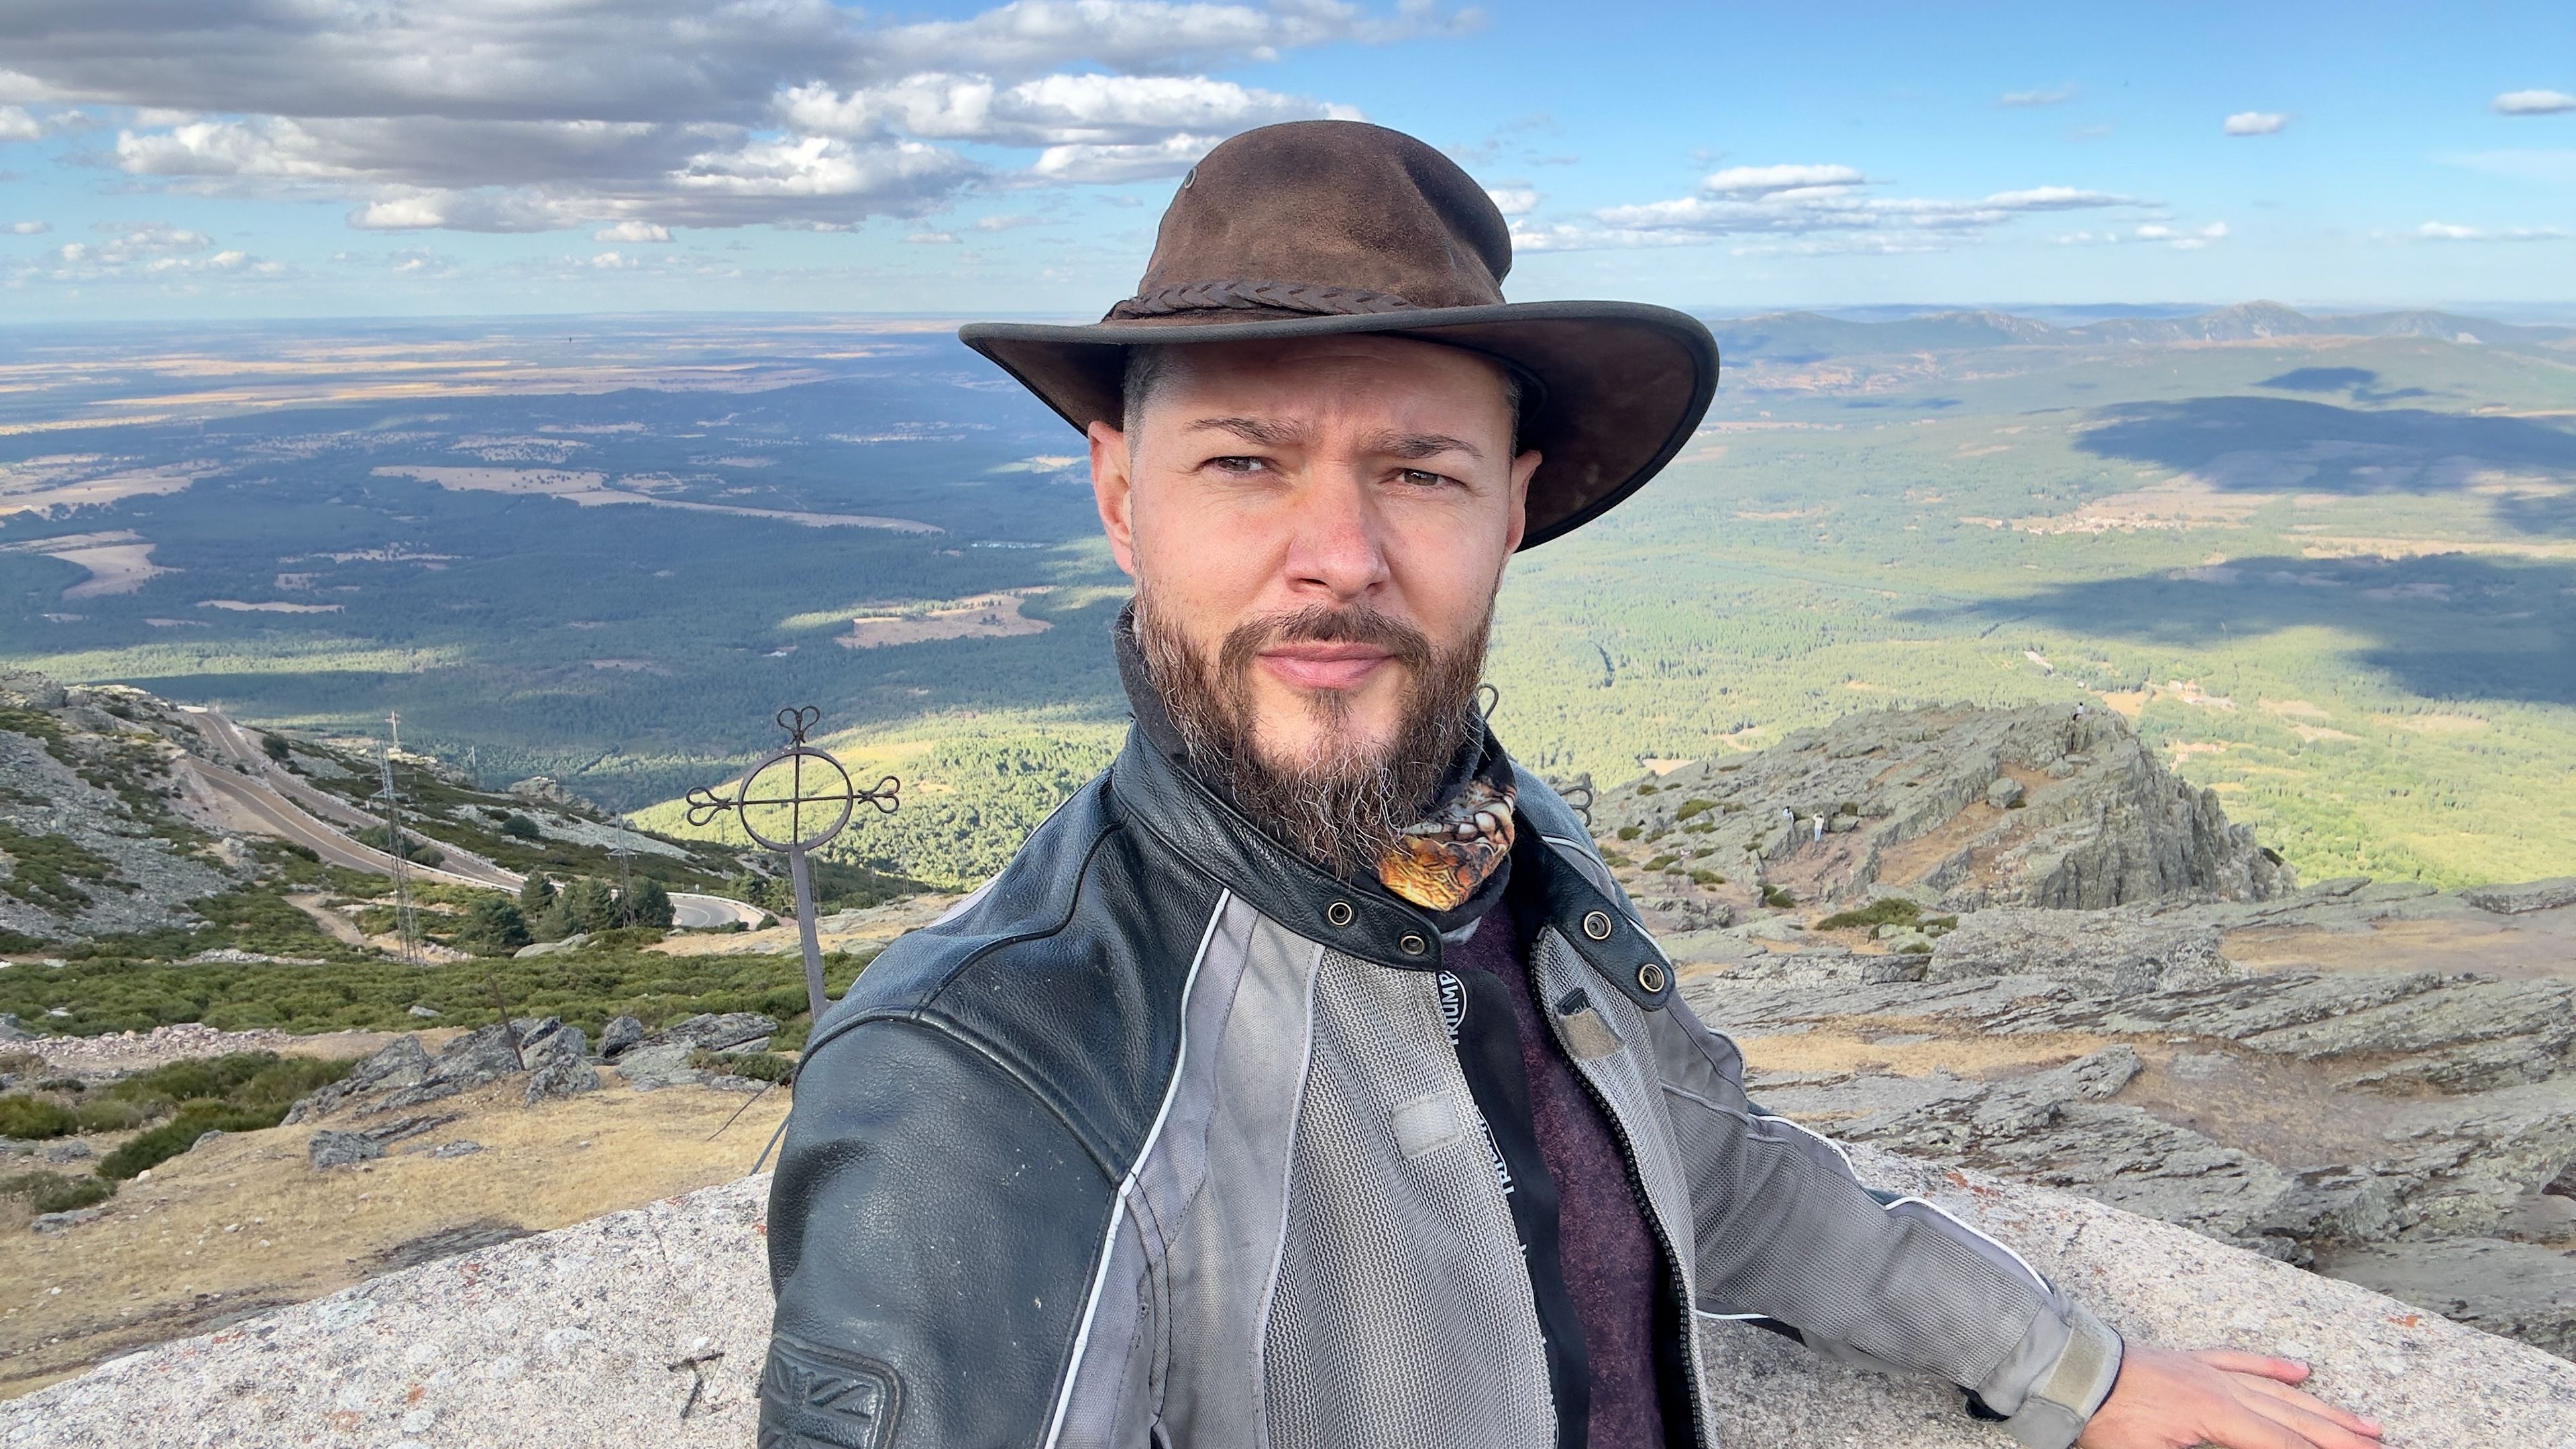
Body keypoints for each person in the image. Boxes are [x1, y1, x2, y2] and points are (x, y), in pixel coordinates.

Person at [759, 121, 2381, 1449]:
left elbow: (1714, 1176)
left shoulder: (1509, 858)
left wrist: (2071, 1364)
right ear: (1124, 498)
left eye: (1420, 472)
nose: (1339, 556)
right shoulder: (988, 1078)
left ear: (1512, 510)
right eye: (1245, 462)